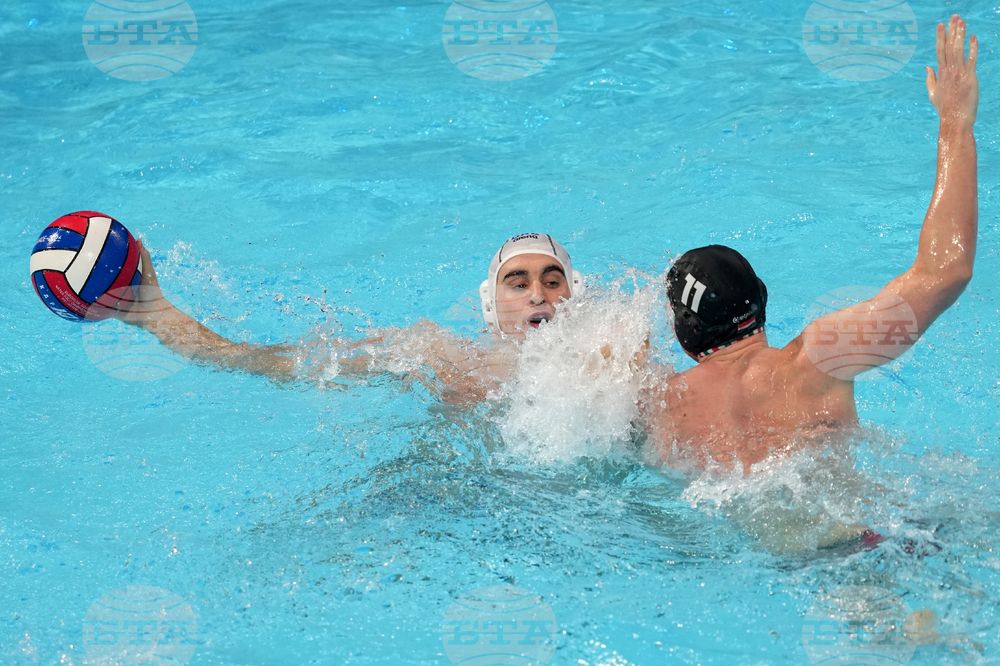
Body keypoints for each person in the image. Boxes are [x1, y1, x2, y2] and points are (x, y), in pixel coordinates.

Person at [640, 16, 979, 472]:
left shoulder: (657, 408)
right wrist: (955, 123)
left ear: (685, 335)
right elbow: (947, 270)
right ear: (760, 302)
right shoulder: (819, 359)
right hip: (867, 540)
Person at [116, 232, 584, 402]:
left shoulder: (614, 361)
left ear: (573, 294)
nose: (537, 294)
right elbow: (271, 362)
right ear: (489, 305)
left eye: (551, 280)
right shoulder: (435, 350)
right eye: (517, 283)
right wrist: (156, 315)